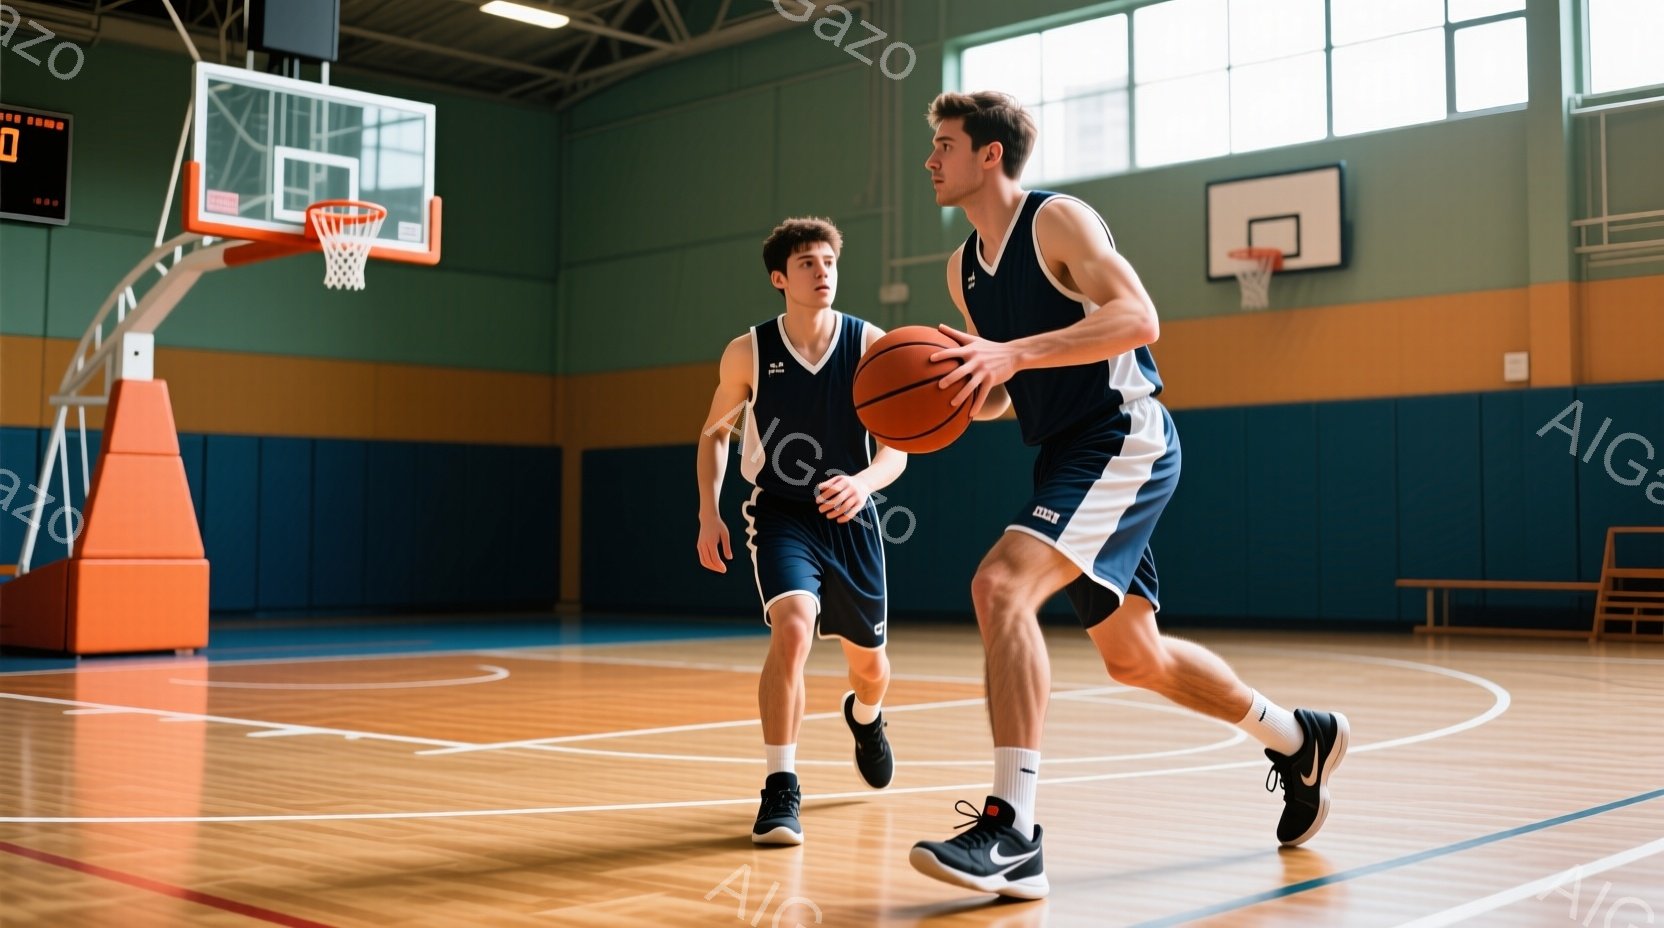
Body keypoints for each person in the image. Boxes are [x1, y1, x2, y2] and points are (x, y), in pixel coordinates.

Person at [907, 92, 1349, 899]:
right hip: (1062, 457)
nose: (931, 160)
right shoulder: (962, 266)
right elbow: (1012, 383)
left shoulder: (1058, 222)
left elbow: (1139, 318)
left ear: (990, 155)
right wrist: (971, 388)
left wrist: (1011, 353)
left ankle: (1014, 831)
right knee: (1134, 658)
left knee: (999, 585)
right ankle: (1296, 739)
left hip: (1123, 437)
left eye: (944, 144)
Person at [696, 217, 908, 845]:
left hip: (853, 517)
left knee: (870, 667)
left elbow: (897, 450)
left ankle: (866, 717)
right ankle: (780, 786)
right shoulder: (749, 352)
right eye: (808, 264)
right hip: (781, 513)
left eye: (829, 263)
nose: (822, 273)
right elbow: (715, 436)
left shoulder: (873, 344)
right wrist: (709, 510)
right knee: (792, 629)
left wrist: (864, 484)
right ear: (779, 278)